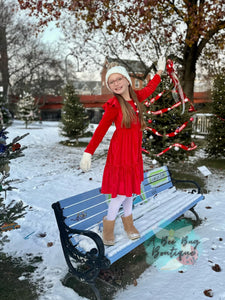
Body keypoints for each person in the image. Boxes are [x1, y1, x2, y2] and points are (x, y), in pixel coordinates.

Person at [80, 56, 166, 246]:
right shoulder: (114, 105)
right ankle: (108, 227)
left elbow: (150, 88)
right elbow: (101, 129)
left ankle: (128, 224)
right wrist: (89, 151)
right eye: (111, 82)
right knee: (120, 194)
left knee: (129, 192)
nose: (116, 83)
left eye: (119, 79)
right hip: (120, 155)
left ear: (127, 79)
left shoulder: (136, 97)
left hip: (134, 154)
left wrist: (159, 72)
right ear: (110, 86)